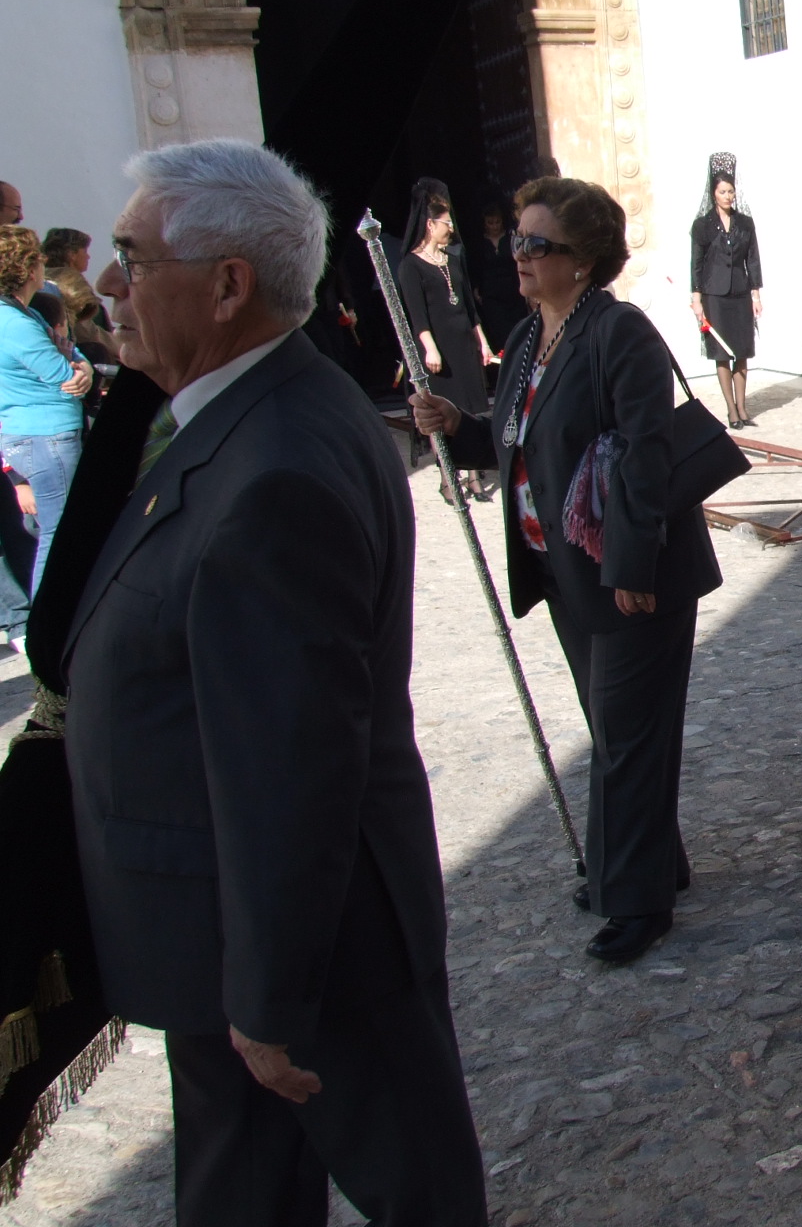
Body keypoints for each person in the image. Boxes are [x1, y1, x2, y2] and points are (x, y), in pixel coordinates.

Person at [67, 138, 487, 1223]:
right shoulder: (254, 412)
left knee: (404, 1188)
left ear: (226, 286)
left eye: (131, 255)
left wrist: (265, 993)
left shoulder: (276, 469)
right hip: (239, 927)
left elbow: (288, 759)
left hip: (293, 940)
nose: (108, 285)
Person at [415, 176, 720, 965]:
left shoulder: (618, 335)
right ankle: (653, 863)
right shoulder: (527, 338)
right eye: (516, 239)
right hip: (565, 573)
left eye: (534, 244)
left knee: (624, 737)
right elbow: (518, 437)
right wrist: (460, 426)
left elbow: (647, 455)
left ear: (581, 260)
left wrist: (630, 563)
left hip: (628, 573)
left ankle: (636, 900)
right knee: (619, 729)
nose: (515, 255)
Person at [0, 226, 92, 595]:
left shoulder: (26, 314)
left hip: (42, 435)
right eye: (37, 258)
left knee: (59, 531)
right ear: (27, 269)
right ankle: (46, 623)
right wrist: (77, 371)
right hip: (44, 436)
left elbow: (71, 352)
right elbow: (60, 372)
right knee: (58, 534)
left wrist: (82, 368)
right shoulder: (13, 323)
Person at [396, 180, 492, 498]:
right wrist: (430, 348)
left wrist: (483, 341)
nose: (450, 228)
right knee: (443, 413)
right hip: (441, 350)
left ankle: (475, 477)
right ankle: (449, 479)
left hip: (465, 343)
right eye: (445, 222)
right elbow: (417, 314)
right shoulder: (411, 266)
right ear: (429, 224)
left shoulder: (453, 259)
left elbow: (468, 306)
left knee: (471, 407)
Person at [689, 155, 764, 429]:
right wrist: (696, 299)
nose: (728, 196)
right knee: (722, 352)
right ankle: (731, 409)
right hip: (714, 295)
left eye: (731, 191)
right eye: (722, 191)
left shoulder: (745, 223)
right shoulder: (703, 225)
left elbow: (753, 258)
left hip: (741, 293)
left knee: (742, 351)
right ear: (713, 193)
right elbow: (695, 263)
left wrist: (756, 295)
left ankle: (743, 408)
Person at [42, 227, 114, 364]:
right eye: (85, 251)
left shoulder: (43, 279)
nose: (88, 256)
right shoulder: (66, 284)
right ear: (71, 254)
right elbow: (86, 331)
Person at [471, 201, 526, 353]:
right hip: (491, 295)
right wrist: (476, 289)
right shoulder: (480, 243)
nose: (494, 226)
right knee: (500, 334)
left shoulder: (510, 239)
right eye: (490, 223)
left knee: (519, 330)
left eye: (497, 222)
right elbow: (476, 267)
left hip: (513, 292)